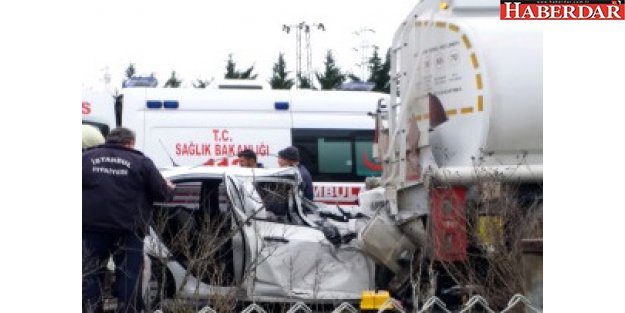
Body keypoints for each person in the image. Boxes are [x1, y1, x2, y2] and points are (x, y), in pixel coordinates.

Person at [83, 127, 174, 313]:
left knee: (90, 275)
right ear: (131, 143)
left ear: (108, 140)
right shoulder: (141, 162)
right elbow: (162, 194)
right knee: (129, 277)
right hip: (128, 231)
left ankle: (90, 309)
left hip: (91, 229)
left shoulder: (86, 159)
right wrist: (169, 187)